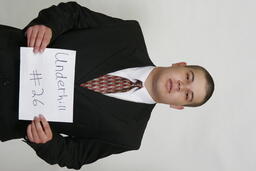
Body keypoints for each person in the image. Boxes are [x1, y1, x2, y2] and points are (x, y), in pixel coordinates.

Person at [0, 1, 214, 169]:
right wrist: (49, 26)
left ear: (178, 106)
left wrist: (47, 143)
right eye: (187, 77)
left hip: (5, 116)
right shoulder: (129, 35)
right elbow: (74, 14)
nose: (180, 86)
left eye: (187, 95)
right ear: (179, 65)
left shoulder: (128, 136)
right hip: (7, 51)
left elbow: (74, 156)